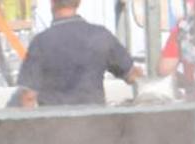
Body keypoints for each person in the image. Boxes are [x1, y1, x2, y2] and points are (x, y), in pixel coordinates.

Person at [15, 0, 144, 107]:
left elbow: (28, 96)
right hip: (95, 125)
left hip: (54, 128)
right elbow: (133, 76)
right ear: (78, 3)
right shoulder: (100, 36)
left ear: (52, 3)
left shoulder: (40, 42)